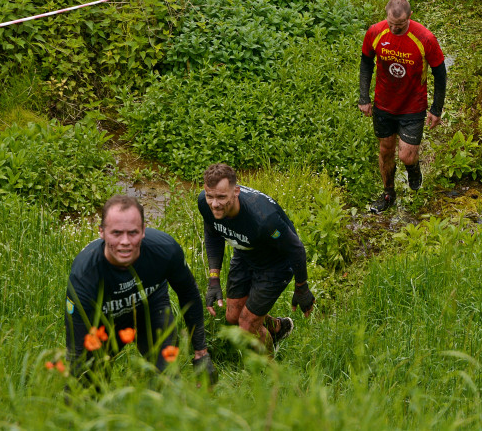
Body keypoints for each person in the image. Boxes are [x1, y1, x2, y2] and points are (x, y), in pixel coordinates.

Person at [65, 194, 216, 384]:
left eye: (133, 233)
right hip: (104, 323)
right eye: (116, 233)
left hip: (150, 308)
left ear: (144, 230)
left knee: (167, 378)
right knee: (88, 382)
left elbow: (188, 293)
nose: (125, 241)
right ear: (101, 232)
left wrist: (201, 352)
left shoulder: (165, 250)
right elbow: (77, 350)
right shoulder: (85, 276)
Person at [198, 163, 315, 352]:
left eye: (221, 197)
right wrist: (213, 279)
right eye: (210, 196)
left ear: (236, 191)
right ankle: (277, 328)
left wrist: (302, 288)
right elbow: (213, 234)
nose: (214, 203)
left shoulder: (263, 219)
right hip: (246, 253)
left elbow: (296, 249)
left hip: (276, 264)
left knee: (246, 326)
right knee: (232, 316)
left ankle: (268, 373)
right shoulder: (204, 203)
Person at [358, 0, 446, 213]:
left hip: (412, 105)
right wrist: (364, 97)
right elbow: (366, 63)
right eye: (391, 24)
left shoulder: (425, 38)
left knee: (406, 155)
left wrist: (436, 109)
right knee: (385, 150)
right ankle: (388, 194)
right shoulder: (375, 32)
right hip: (384, 104)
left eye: (401, 24)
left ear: (410, 16)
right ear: (386, 16)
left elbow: (440, 73)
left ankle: (413, 168)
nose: (395, 28)